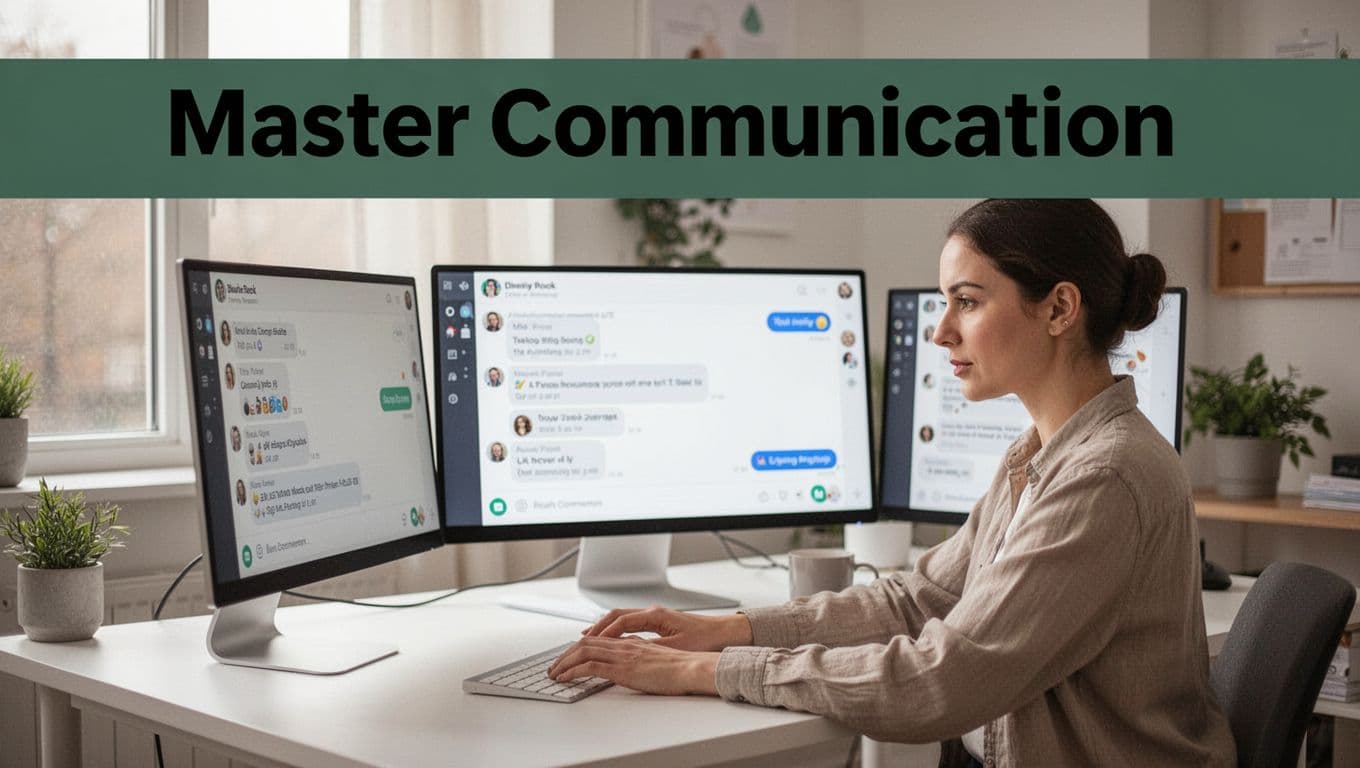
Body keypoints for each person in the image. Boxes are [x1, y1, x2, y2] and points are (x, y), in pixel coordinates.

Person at [548, 199, 1235, 766]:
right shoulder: (1041, 454)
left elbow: (945, 680)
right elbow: (922, 597)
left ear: (1059, 310)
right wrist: (729, 629)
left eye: (967, 302)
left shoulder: (1104, 477)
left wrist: (708, 672)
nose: (940, 332)